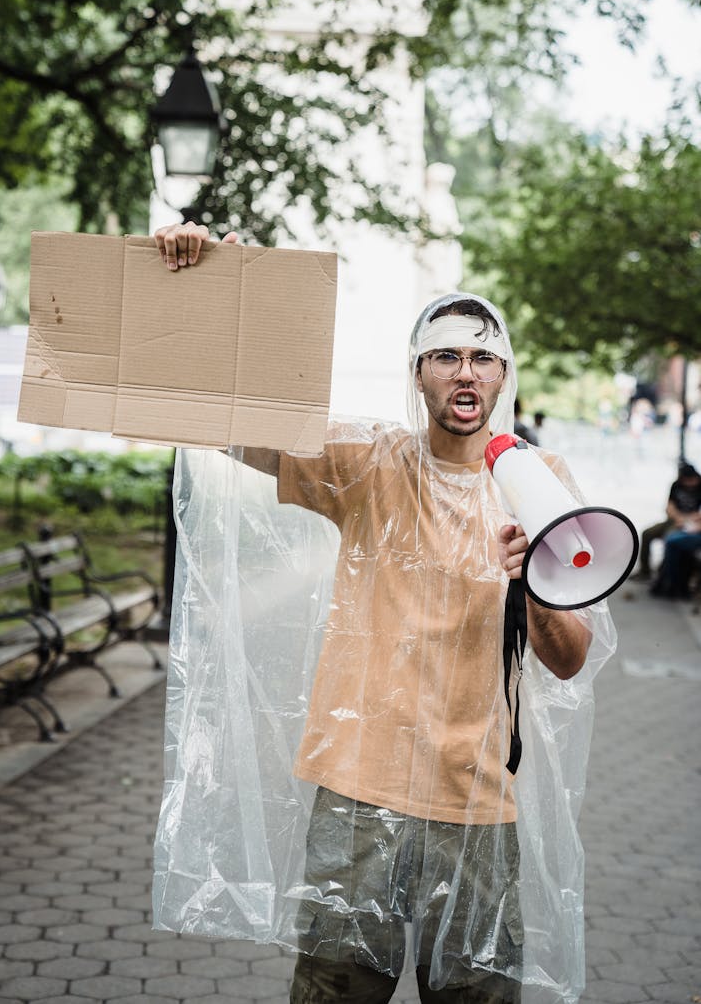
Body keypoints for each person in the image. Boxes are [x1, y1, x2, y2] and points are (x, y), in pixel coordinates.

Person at [152, 222, 611, 1004]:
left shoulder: (542, 481)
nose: (465, 372)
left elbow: (569, 656)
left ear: (503, 374)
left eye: (482, 356)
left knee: (475, 997)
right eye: (446, 355)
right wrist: (208, 286)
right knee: (335, 991)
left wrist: (532, 579)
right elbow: (230, 421)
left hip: (479, 804)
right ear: (419, 373)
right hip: (360, 798)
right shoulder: (369, 464)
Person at [636, 463, 701, 583]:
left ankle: (664, 574)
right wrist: (678, 517)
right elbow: (669, 507)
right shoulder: (676, 485)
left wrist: (688, 519)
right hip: (673, 519)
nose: (689, 484)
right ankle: (645, 571)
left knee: (670, 540)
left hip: (691, 523)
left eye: (692, 480)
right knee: (647, 533)